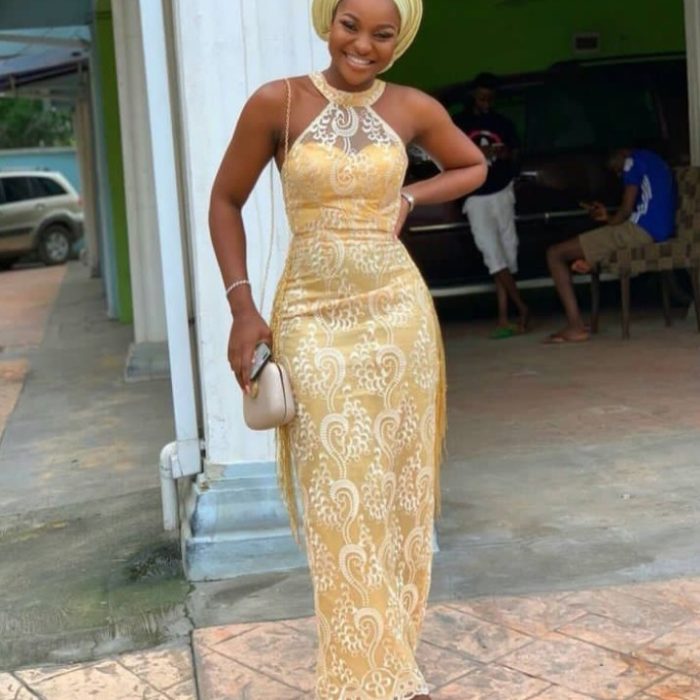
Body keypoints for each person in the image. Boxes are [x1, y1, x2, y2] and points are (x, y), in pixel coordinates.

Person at [208, 0, 487, 697]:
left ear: (401, 39)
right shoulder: (278, 102)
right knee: (338, 495)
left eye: (382, 34)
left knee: (398, 492)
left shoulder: (414, 107)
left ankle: (392, 663)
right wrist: (243, 308)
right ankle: (357, 674)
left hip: (398, 316)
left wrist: (411, 199)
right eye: (350, 25)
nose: (362, 44)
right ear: (327, 22)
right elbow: (225, 200)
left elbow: (472, 165)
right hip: (310, 315)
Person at [545, 147, 675, 343]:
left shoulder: (631, 162)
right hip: (657, 229)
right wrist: (609, 219)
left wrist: (610, 220)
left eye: (617, 170)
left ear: (622, 154)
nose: (619, 174)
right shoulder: (654, 160)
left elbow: (626, 210)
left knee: (555, 254)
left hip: (642, 230)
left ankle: (575, 326)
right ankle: (590, 260)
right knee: (597, 243)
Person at [455, 72, 529, 338]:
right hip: (474, 195)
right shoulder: (459, 123)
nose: (486, 102)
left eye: (490, 98)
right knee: (492, 253)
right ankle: (522, 308)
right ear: (473, 96)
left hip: (502, 190)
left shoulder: (502, 123)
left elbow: (515, 153)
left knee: (507, 253)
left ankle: (503, 318)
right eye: (482, 98)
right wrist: (477, 153)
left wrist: (504, 153)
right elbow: (449, 156)